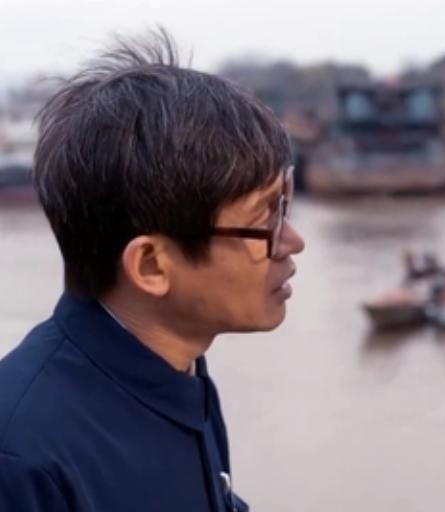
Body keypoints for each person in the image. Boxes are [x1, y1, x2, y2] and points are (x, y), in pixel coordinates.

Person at [0, 30, 304, 512]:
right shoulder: (23, 461)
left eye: (283, 206)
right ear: (151, 266)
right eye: (265, 217)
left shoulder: (177, 371)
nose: (292, 241)